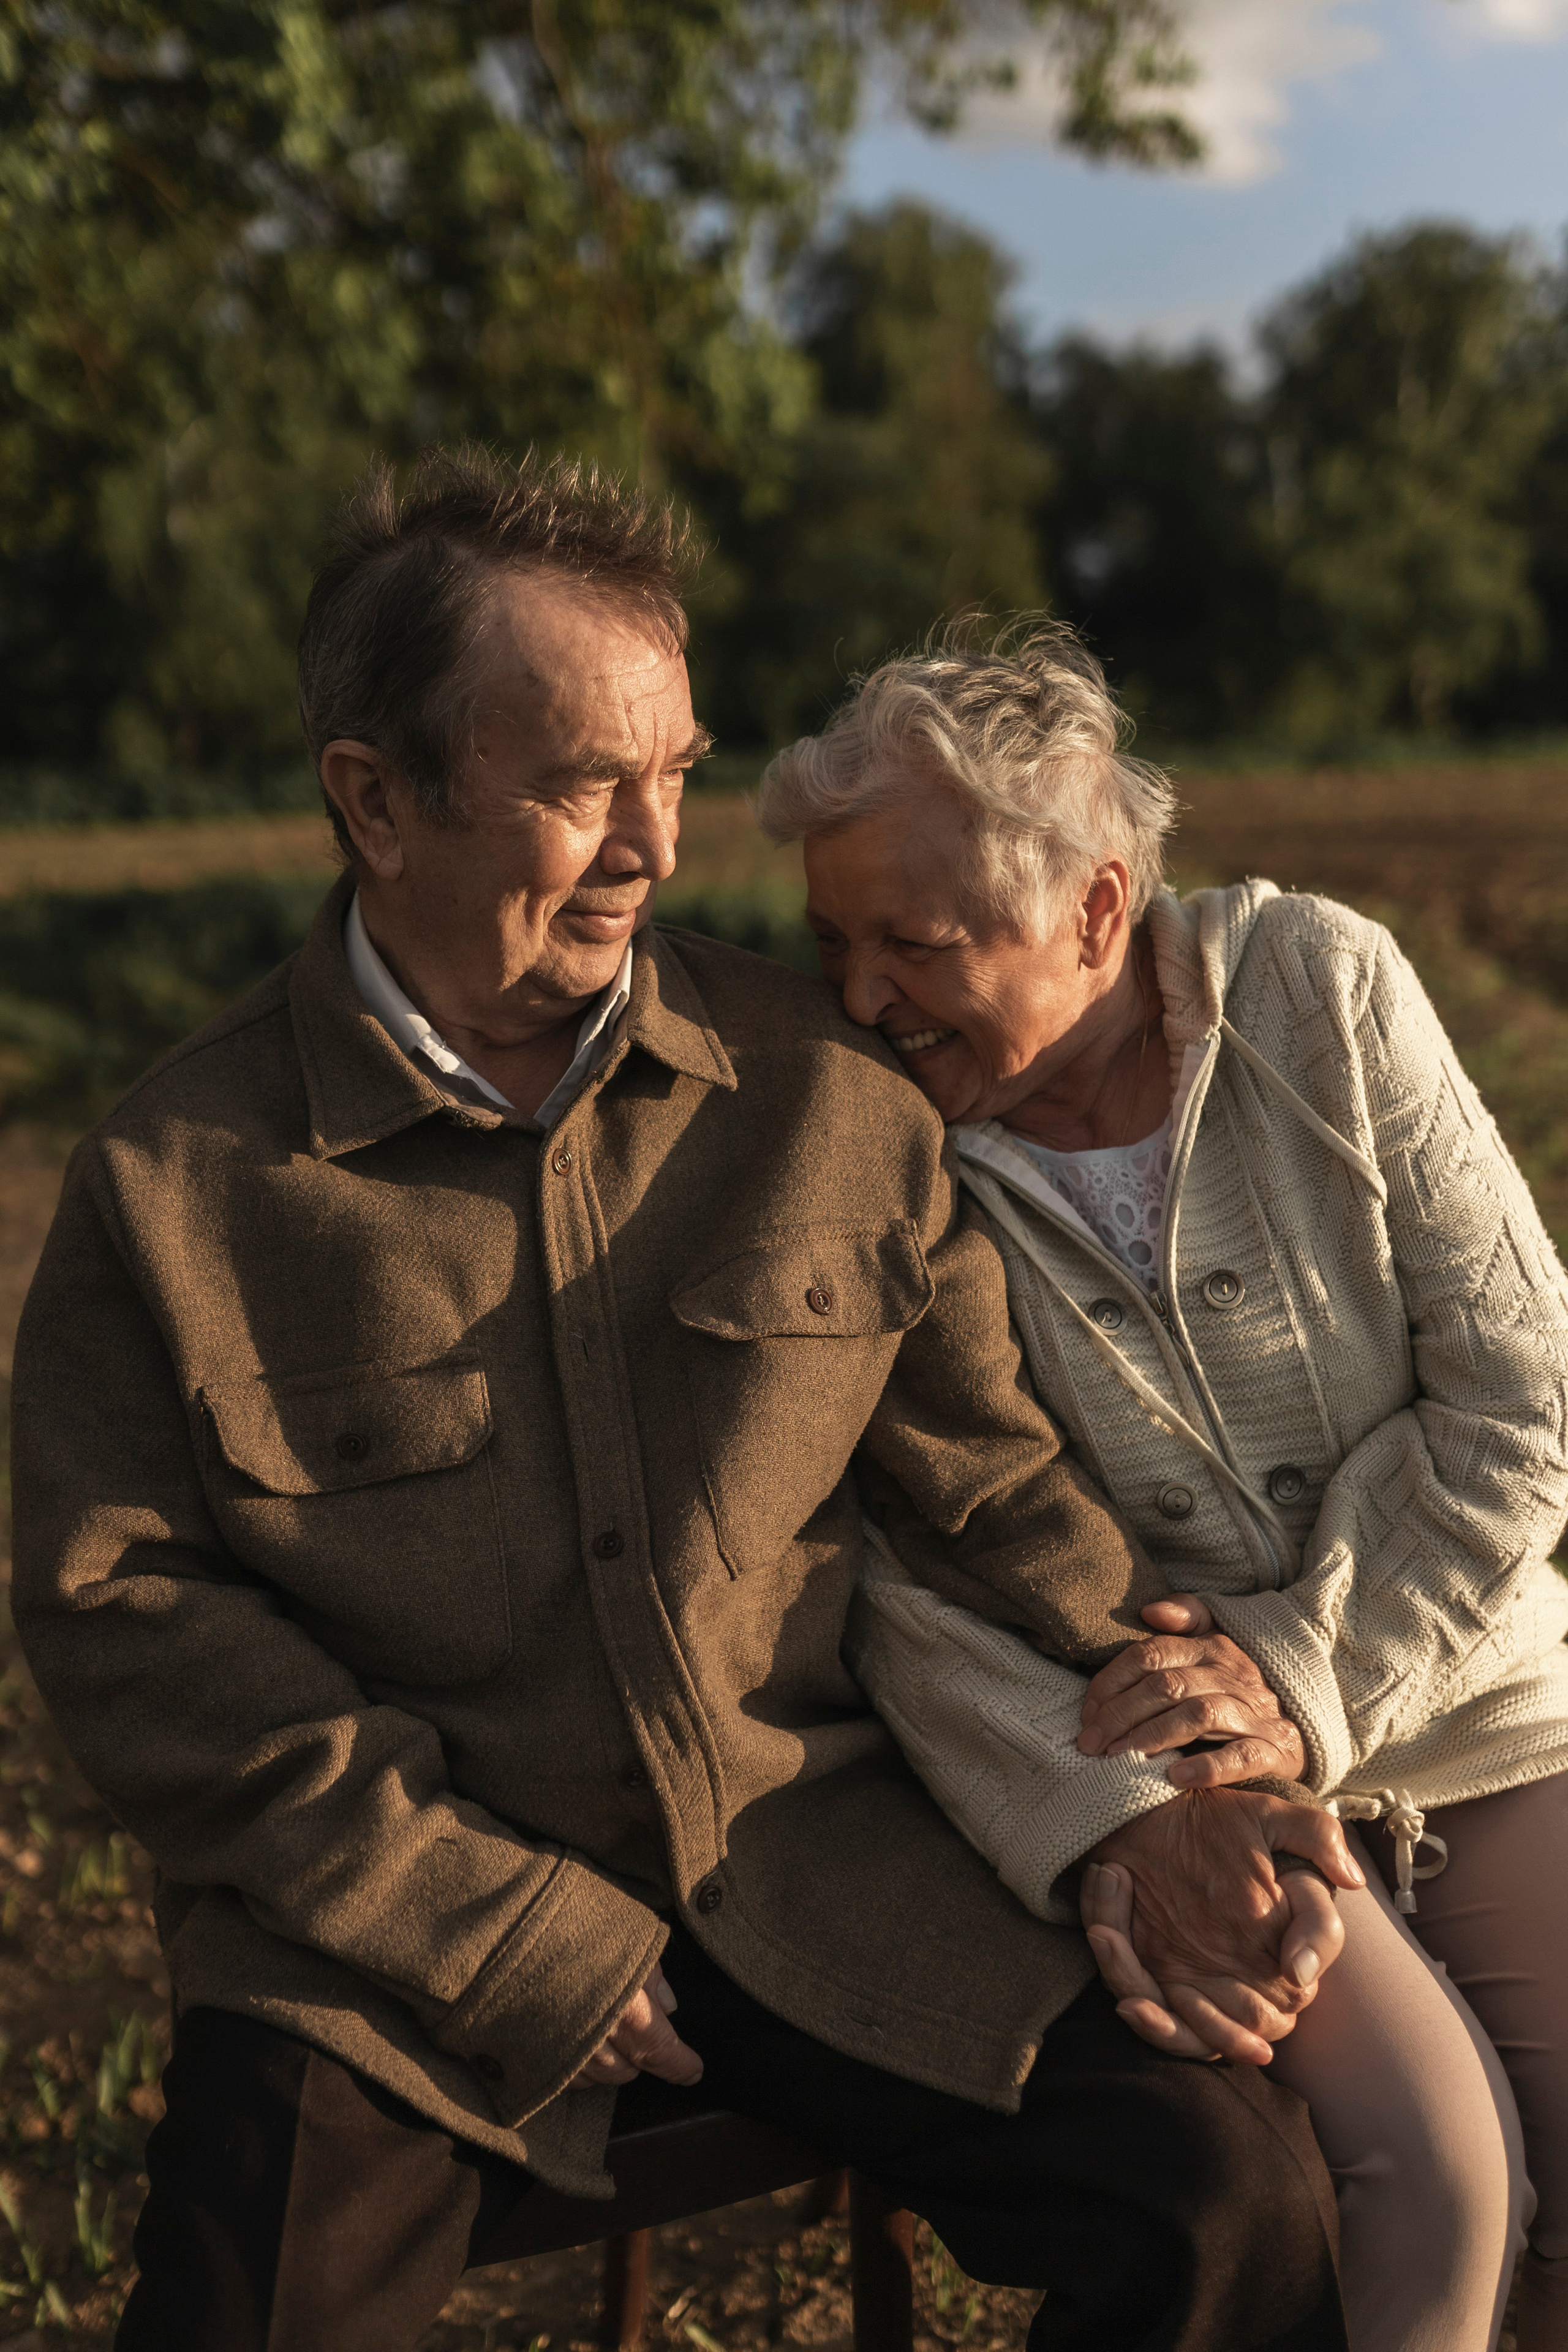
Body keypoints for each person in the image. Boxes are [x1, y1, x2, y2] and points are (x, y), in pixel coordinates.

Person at [10, 455, 1355, 2352]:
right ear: (371, 802)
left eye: (671, 772)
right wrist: (500, 1931)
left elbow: (999, 1493)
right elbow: (134, 1633)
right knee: (243, 2307)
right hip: (391, 1939)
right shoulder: (175, 1181)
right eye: (575, 784)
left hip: (824, 1870)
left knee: (1234, 2208)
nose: (651, 846)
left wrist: (1197, 1757)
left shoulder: (823, 1089)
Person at [760, 620, 1568, 2352]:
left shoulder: (1316, 991)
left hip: (1473, 1704)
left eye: (915, 942)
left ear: (1099, 911)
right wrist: (1131, 1809)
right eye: (834, 941)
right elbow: (895, 1576)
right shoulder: (878, 1144)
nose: (861, 995)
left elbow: (1523, 1399)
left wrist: (1298, 1667)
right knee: (1439, 2184)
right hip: (1161, 1776)